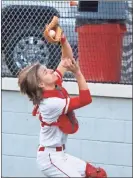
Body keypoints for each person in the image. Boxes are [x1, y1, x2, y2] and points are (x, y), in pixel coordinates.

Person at [18, 32, 107, 177]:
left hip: (60, 155)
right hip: (49, 158)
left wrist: (63, 40)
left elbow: (66, 59)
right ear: (41, 83)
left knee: (96, 174)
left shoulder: (52, 86)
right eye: (46, 72)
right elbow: (86, 99)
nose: (52, 71)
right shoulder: (50, 103)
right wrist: (77, 73)